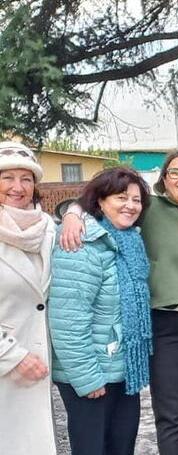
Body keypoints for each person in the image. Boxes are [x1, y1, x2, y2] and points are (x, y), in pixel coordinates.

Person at [60, 150, 178, 454]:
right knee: (172, 415)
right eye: (175, 172)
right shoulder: (151, 210)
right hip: (167, 324)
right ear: (164, 180)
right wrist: (73, 213)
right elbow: (106, 202)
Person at [49, 167, 151, 455]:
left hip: (121, 368)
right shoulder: (82, 243)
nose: (130, 205)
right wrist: (88, 378)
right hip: (91, 375)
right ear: (100, 201)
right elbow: (68, 320)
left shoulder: (129, 241)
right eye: (121, 197)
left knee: (121, 447)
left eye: (136, 199)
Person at [0, 141, 57, 455]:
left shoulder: (48, 229)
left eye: (26, 178)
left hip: (39, 365)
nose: (17, 187)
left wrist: (74, 212)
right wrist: (13, 357)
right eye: (7, 177)